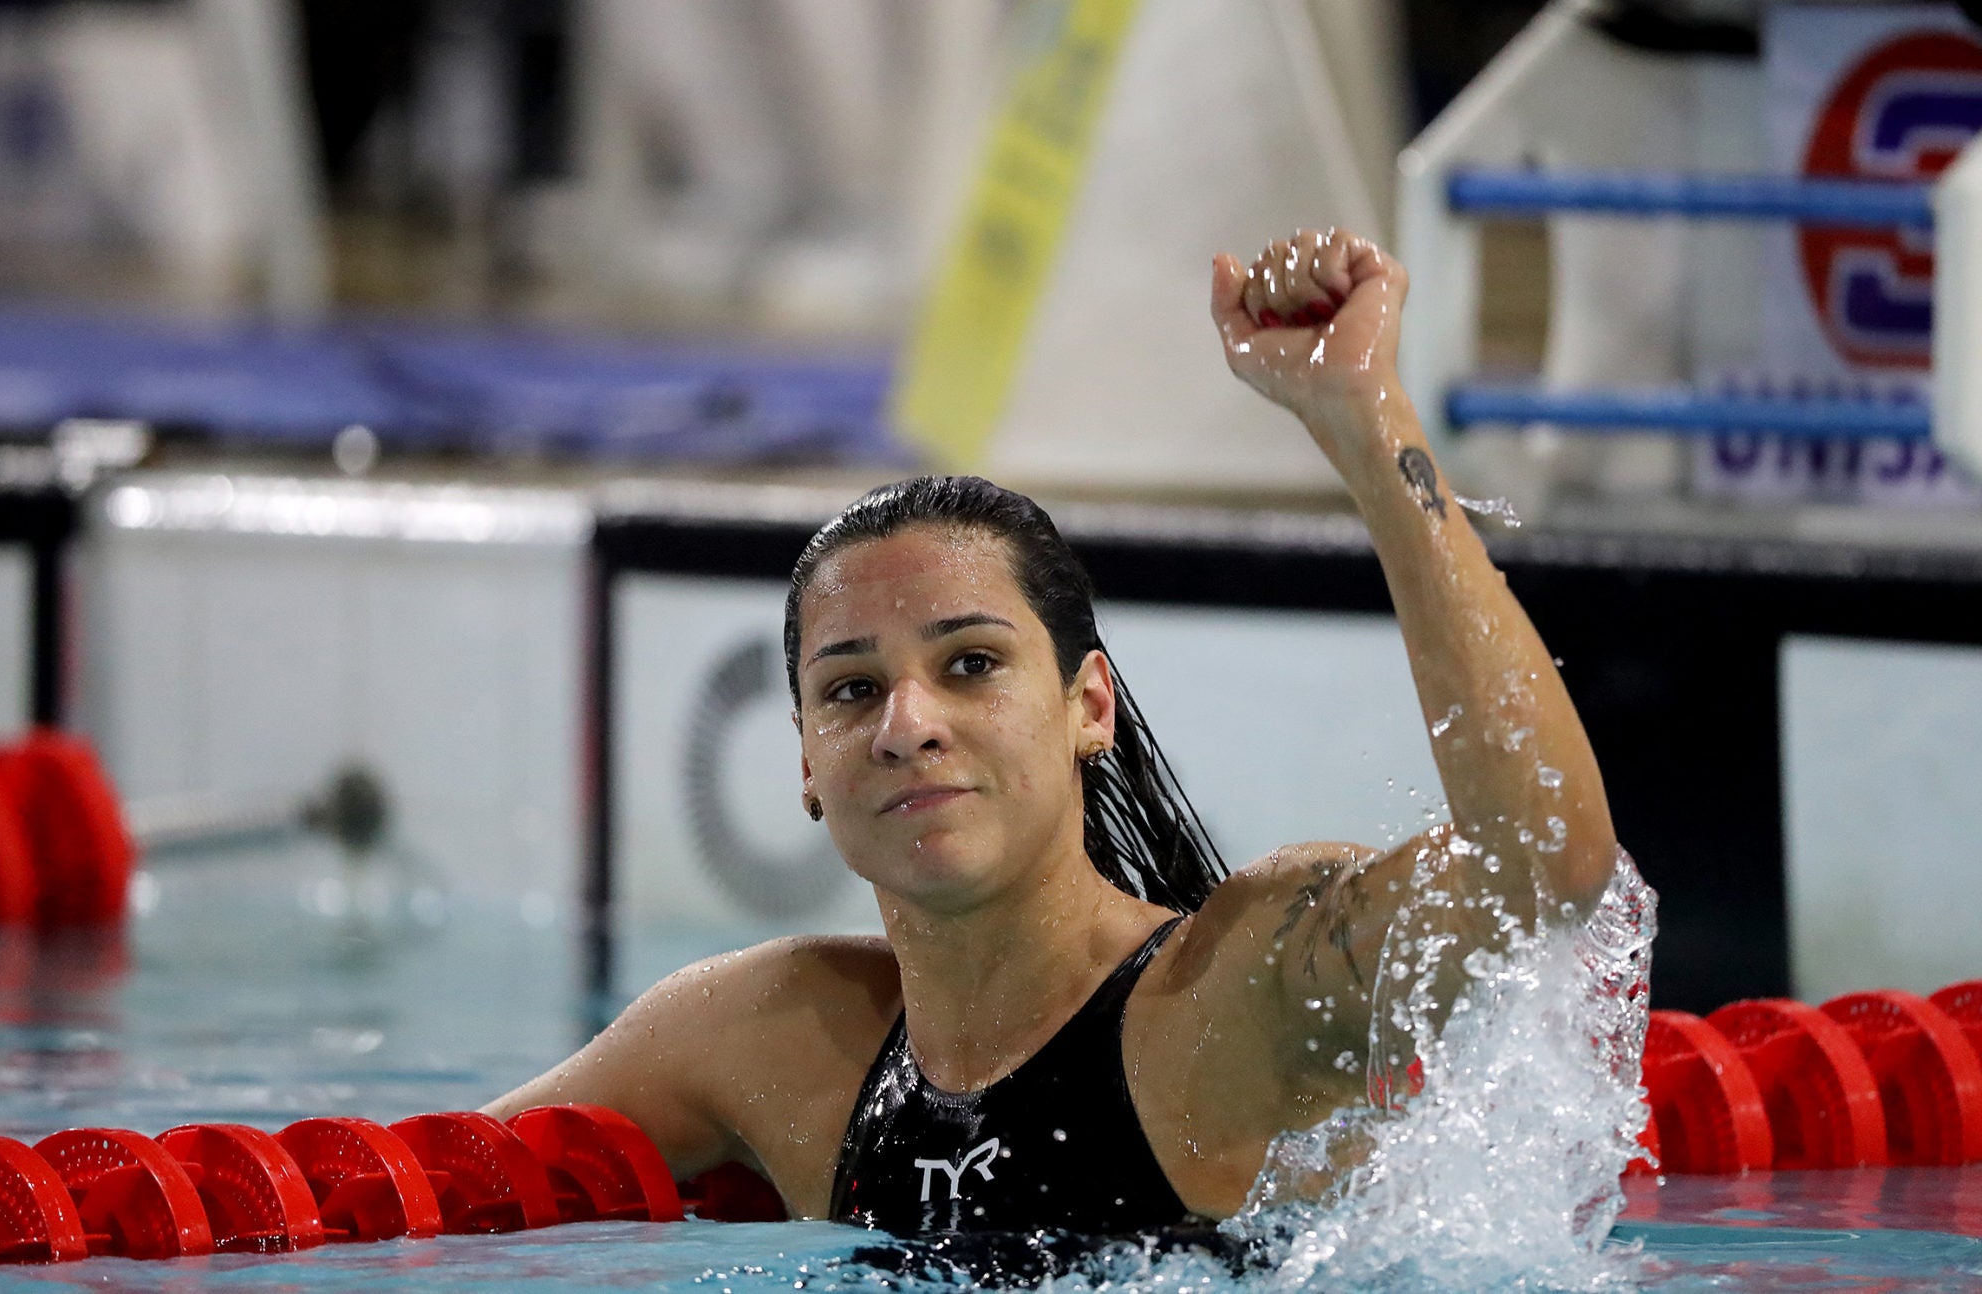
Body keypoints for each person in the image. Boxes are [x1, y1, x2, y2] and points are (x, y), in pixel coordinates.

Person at [485, 228, 1621, 1236]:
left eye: (969, 665)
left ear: (1088, 706)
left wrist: (1367, 425)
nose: (906, 725)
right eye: (848, 689)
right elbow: (419, 1180)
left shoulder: (1237, 995)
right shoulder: (764, 1041)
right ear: (804, 767)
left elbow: (1543, 865)